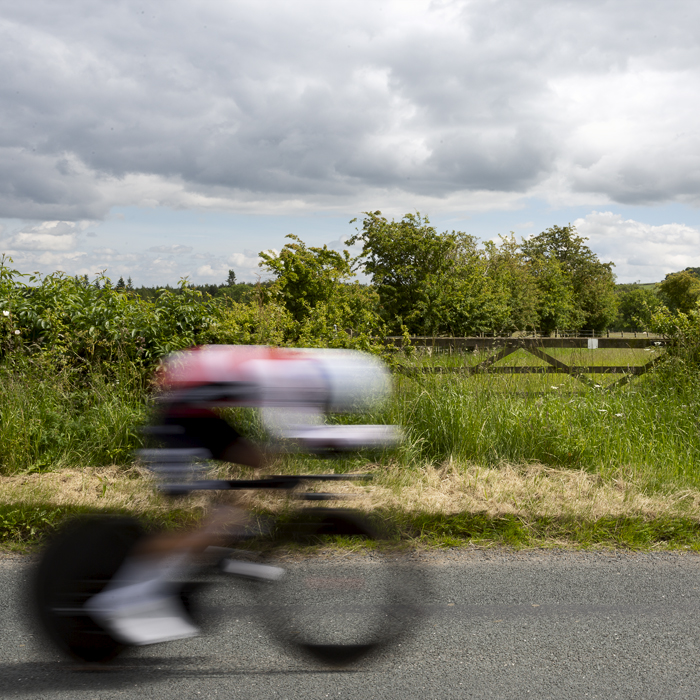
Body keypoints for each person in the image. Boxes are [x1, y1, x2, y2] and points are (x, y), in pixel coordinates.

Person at [85, 345, 397, 646]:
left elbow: (285, 435)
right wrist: (376, 435)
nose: (338, 410)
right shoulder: (299, 377)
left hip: (197, 410)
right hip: (181, 417)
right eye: (342, 405)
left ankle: (221, 544)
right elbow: (299, 433)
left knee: (262, 464)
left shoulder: (301, 367)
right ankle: (126, 596)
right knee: (223, 511)